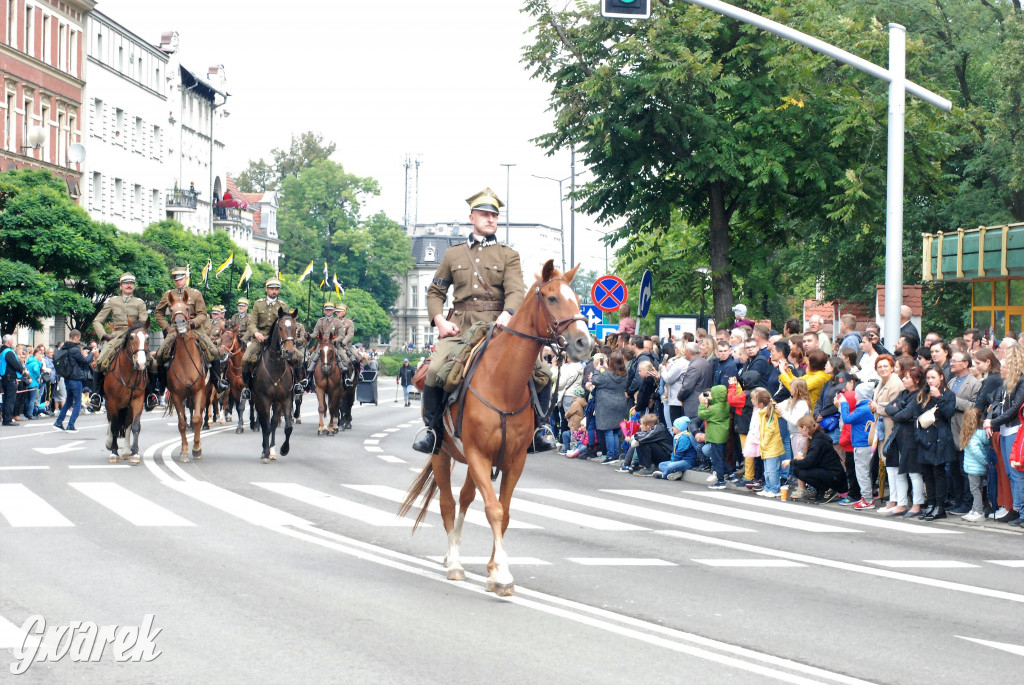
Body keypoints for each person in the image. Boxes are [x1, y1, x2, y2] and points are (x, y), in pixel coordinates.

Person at [414, 187, 555, 454]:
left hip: (499, 327)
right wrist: (440, 321)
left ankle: (539, 430)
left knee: (543, 374)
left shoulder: (508, 254)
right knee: (434, 372)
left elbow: (516, 290)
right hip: (460, 327)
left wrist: (508, 313)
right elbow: (436, 292)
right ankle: (432, 431)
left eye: (494, 215)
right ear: (472, 217)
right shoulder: (453, 254)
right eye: (484, 214)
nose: (491, 219)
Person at [89, 272, 158, 412]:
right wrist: (104, 335)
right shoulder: (112, 301)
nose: (129, 285)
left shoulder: (139, 302)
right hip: (117, 336)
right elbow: (97, 320)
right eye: (126, 283)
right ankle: (96, 395)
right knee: (101, 361)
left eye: (131, 283)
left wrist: (139, 332)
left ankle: (150, 394)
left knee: (153, 363)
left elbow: (144, 322)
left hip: (134, 336)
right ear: (121, 286)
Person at [154, 266, 226, 394]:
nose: (178, 281)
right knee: (159, 354)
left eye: (180, 279)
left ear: (186, 278)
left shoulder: (195, 294)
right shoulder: (168, 295)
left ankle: (217, 381)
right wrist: (167, 327)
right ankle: (162, 385)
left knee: (214, 351)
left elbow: (203, 314)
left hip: (195, 330)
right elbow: (158, 312)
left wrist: (192, 323)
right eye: (175, 279)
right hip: (175, 331)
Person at [241, 278, 303, 400]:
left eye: (276, 289)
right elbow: (251, 323)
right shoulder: (258, 304)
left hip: (278, 339)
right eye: (271, 289)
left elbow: (286, 323)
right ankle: (247, 388)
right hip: (260, 338)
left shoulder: (283, 305)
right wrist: (256, 333)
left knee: (298, 356)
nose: (274, 291)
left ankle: (297, 384)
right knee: (245, 359)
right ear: (266, 289)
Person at [983, 345, 1024, 525]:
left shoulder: (1021, 383)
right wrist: (990, 419)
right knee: (1009, 472)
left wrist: (993, 422)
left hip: (1016, 430)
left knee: (1016, 472)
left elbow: (1015, 409)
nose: (1001, 370)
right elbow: (996, 405)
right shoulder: (1006, 385)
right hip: (1007, 430)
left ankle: (1020, 511)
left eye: (1004, 367)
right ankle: (1016, 508)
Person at [913, 365, 956, 521]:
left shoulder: (948, 395)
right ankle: (931, 503)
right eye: (928, 378)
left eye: (933, 377)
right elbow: (916, 417)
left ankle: (940, 506)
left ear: (941, 377)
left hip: (940, 439)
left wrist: (939, 397)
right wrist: (918, 436)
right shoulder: (922, 394)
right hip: (924, 438)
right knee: (927, 474)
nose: (930, 381)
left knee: (938, 473)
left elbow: (948, 414)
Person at [870, 355, 906, 515]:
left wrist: (877, 408)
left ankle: (895, 500)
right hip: (882, 427)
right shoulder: (881, 383)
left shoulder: (896, 384)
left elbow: (894, 409)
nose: (883, 369)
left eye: (886, 366)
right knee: (888, 464)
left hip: (892, 428)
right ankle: (893, 499)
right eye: (880, 367)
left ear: (892, 367)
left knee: (892, 464)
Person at [947, 351, 981, 515]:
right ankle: (958, 499)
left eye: (955, 361)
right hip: (950, 431)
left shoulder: (975, 383)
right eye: (951, 360)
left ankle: (967, 502)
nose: (952, 363)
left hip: (964, 430)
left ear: (966, 363)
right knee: (953, 469)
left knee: (964, 468)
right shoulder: (952, 381)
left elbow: (975, 406)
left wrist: (953, 399)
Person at [784, 416, 847, 503]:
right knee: (798, 469)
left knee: (800, 471)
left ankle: (829, 489)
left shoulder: (817, 441)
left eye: (799, 428)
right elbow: (814, 460)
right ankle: (822, 489)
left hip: (834, 475)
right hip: (830, 472)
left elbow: (808, 462)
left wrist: (790, 462)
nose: (799, 431)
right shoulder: (816, 438)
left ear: (805, 428)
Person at [837, 382, 876, 510]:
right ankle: (867, 497)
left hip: (862, 444)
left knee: (862, 473)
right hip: (866, 443)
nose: (855, 396)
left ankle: (867, 500)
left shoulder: (862, 409)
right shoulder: (868, 407)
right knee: (866, 472)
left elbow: (847, 419)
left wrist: (843, 403)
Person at [589, 349, 631, 464]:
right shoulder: (624, 375)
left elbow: (594, 380)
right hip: (620, 403)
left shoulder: (605, 375)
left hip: (606, 404)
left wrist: (598, 369)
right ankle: (616, 454)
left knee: (608, 430)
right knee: (615, 429)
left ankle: (611, 455)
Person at [53, 330, 93, 432]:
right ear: (75, 337)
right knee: (77, 402)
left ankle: (58, 422)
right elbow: (85, 361)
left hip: (67, 378)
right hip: (76, 379)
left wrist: (82, 354)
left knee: (69, 400)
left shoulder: (64, 347)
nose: (79, 340)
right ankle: (70, 425)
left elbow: (74, 360)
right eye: (79, 338)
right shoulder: (74, 349)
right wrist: (92, 354)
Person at [751, 388, 785, 497]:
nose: (752, 402)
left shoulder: (769, 413)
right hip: (766, 446)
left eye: (754, 400)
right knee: (767, 471)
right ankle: (768, 487)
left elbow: (770, 430)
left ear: (760, 403)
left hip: (771, 446)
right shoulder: (763, 412)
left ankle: (775, 489)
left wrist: (764, 442)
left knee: (772, 470)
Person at [699, 384, 731, 489]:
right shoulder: (725, 405)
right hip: (722, 435)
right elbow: (717, 403)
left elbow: (702, 414)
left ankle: (721, 481)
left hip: (715, 437)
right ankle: (731, 474)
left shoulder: (714, 409)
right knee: (720, 457)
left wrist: (702, 403)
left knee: (717, 459)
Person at [960, 408, 990, 523]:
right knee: (978, 489)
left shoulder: (971, 437)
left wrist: (985, 463)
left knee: (975, 490)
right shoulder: (980, 434)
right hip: (977, 468)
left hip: (974, 469)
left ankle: (978, 511)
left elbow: (977, 453)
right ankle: (974, 509)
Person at [1, 335, 25, 427]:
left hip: (5, 378)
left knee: (6, 399)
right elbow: (15, 364)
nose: (13, 341)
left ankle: (6, 418)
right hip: (9, 378)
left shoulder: (2, 351)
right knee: (10, 400)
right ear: (9, 341)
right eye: (12, 340)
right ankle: (7, 419)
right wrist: (22, 371)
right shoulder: (8, 352)